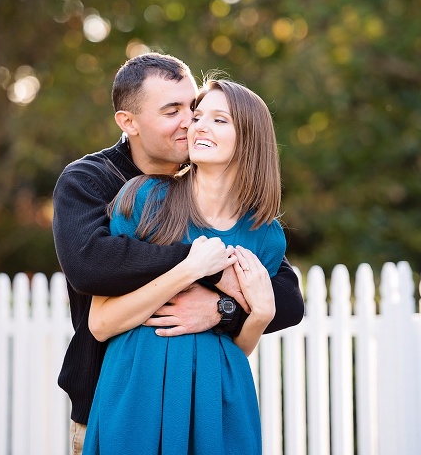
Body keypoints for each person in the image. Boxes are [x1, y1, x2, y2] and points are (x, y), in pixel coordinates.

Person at [52, 53, 304, 455]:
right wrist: (201, 266)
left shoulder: (259, 229)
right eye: (174, 111)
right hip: (119, 396)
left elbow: (284, 299)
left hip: (210, 408)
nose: (191, 122)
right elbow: (90, 266)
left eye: (194, 108)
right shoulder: (103, 184)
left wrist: (221, 308)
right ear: (129, 122)